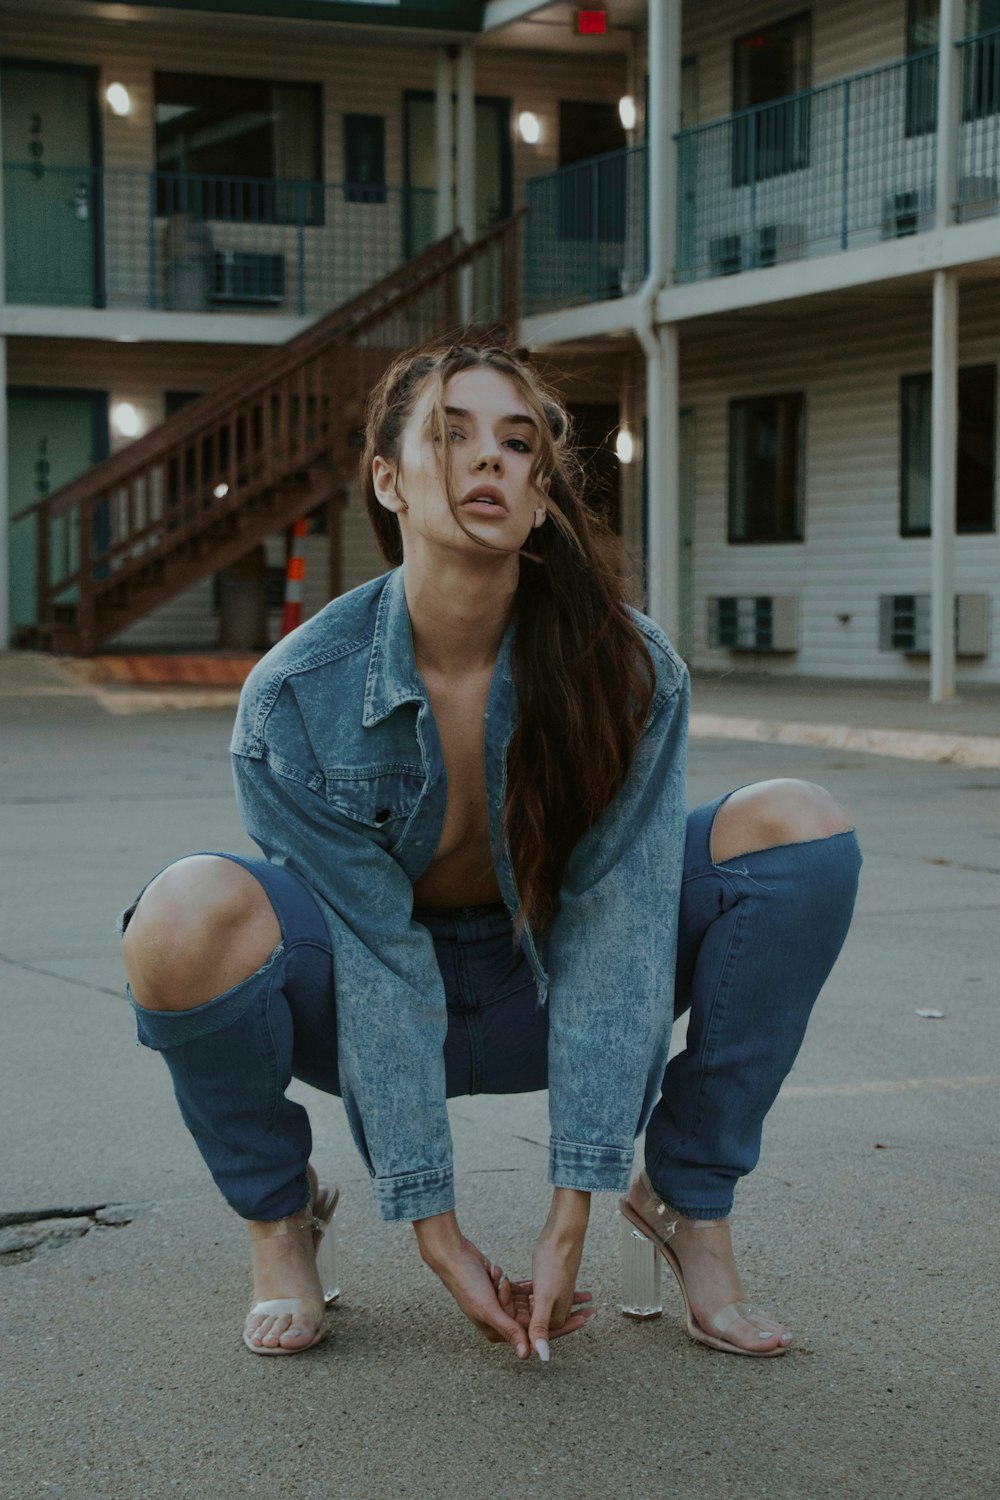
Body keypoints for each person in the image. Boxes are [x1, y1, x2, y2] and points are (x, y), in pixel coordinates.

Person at [120, 342, 861, 1362]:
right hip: (365, 996)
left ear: (543, 492)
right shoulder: (297, 698)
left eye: (518, 444)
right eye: (452, 435)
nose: (490, 462)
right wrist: (437, 1232)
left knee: (796, 825)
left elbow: (618, 923)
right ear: (388, 480)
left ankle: (687, 1203)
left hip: (542, 976)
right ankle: (279, 1217)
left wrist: (576, 1206)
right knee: (179, 915)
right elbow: (375, 954)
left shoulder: (628, 667)